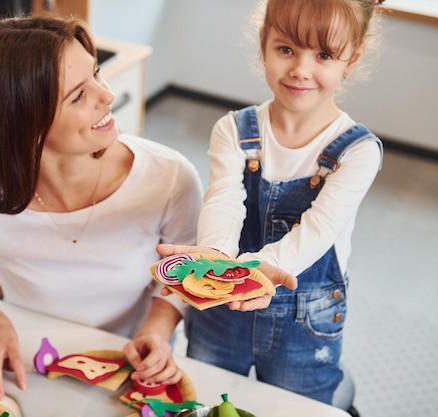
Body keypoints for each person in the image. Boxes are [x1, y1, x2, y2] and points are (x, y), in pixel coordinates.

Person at [0, 13, 203, 401]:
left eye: (96, 73)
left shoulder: (170, 177)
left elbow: (185, 276)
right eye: (78, 95)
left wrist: (155, 333)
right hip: (29, 368)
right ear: (22, 123)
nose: (106, 95)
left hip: (133, 369)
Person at [159, 0, 385, 409]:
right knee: (206, 401)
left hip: (306, 320)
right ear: (263, 43)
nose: (301, 69)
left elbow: (318, 229)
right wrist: (214, 256)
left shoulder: (358, 151)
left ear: (352, 58)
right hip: (220, 308)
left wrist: (254, 272)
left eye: (323, 55)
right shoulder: (232, 129)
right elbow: (225, 201)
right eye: (286, 50)